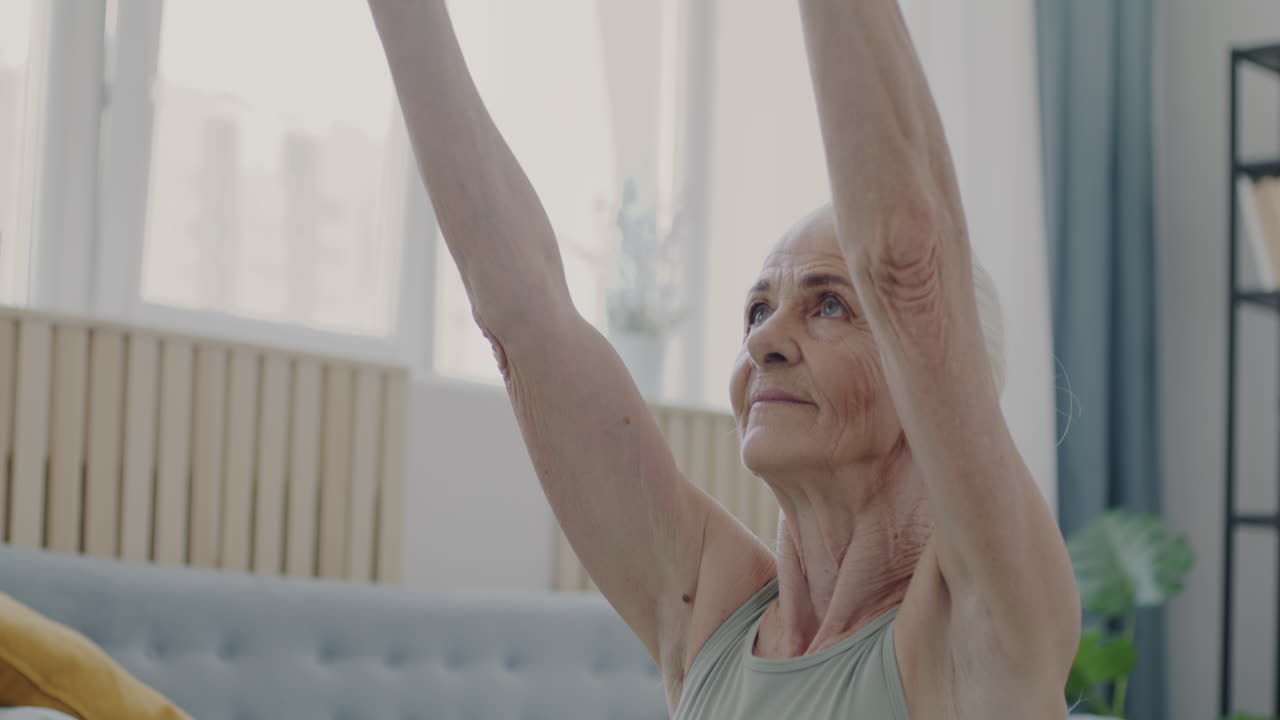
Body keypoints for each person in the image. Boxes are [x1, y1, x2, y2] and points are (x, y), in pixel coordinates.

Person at [367, 1, 1081, 717]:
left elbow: (909, 263)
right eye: (756, 309)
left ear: (929, 383)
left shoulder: (980, 627)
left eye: (829, 304)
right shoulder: (708, 613)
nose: (764, 341)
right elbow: (521, 318)